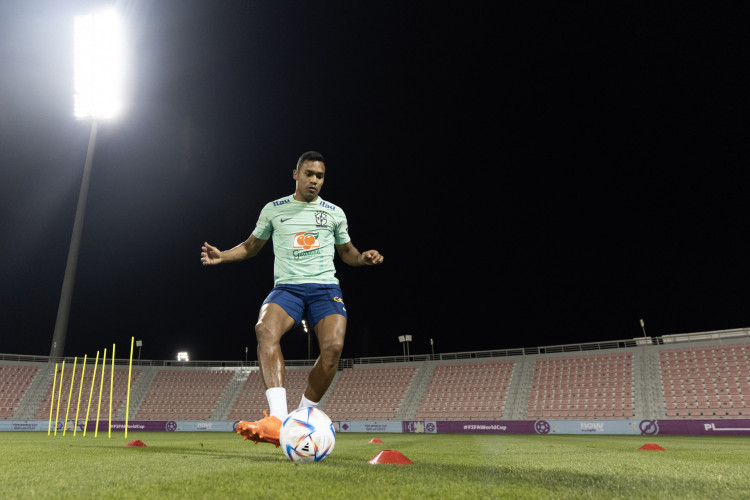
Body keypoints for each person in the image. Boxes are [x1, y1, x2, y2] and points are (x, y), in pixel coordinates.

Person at [200, 151, 383, 447]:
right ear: (295, 174)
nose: (314, 180)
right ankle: (277, 419)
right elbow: (250, 246)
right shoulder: (274, 209)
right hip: (288, 288)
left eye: (320, 176)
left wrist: (363, 258)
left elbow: (348, 253)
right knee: (264, 329)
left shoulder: (335, 212)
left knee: (334, 348)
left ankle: (301, 415)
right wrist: (223, 256)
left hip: (325, 288)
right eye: (309, 173)